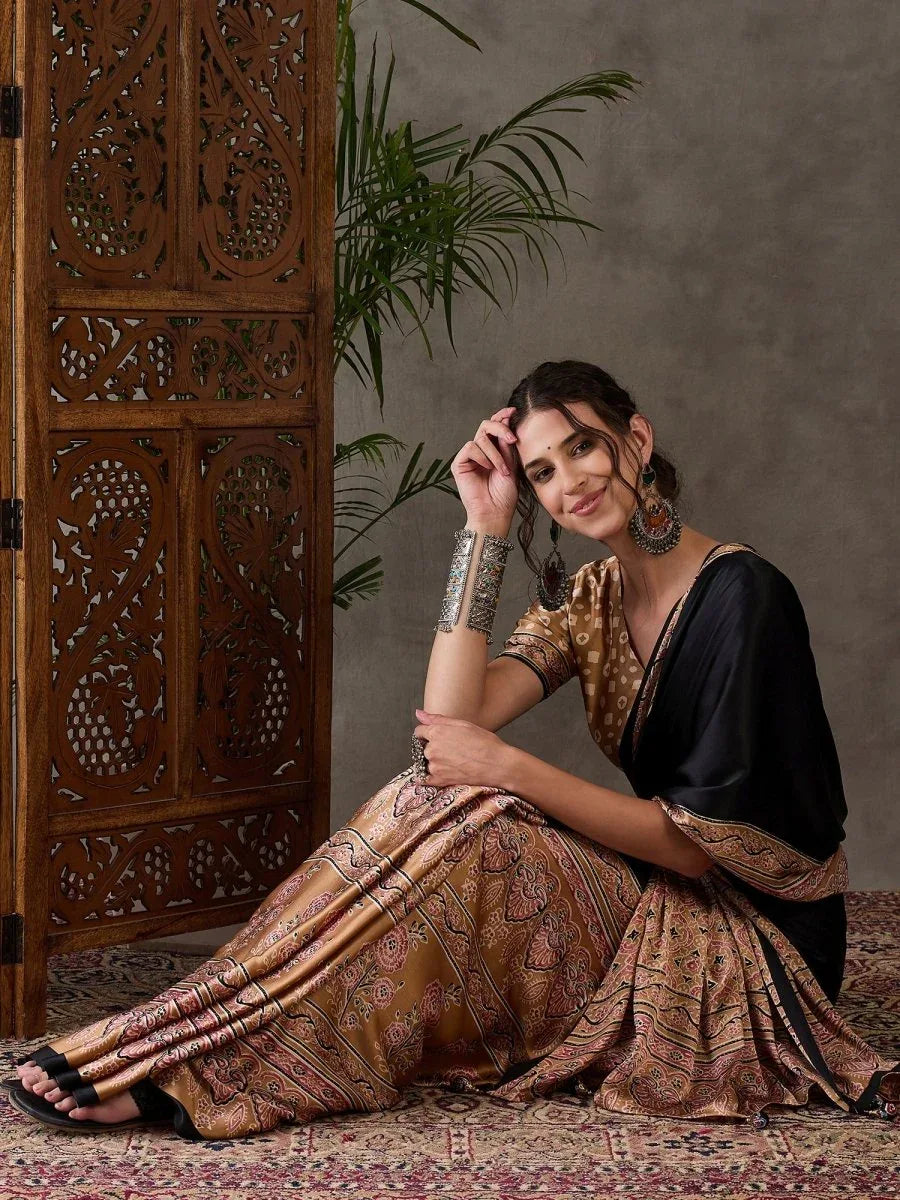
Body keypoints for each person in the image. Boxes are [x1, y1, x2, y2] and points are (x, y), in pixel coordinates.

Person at [7, 359, 898, 1138]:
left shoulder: (744, 596)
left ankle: (196, 1060)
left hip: (754, 940)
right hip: (659, 896)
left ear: (636, 439)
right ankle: (189, 1037)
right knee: (438, 800)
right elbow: (448, 722)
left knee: (484, 817)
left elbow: (693, 849)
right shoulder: (590, 598)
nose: (568, 483)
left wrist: (508, 770)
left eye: (582, 448)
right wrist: (484, 529)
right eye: (541, 472)